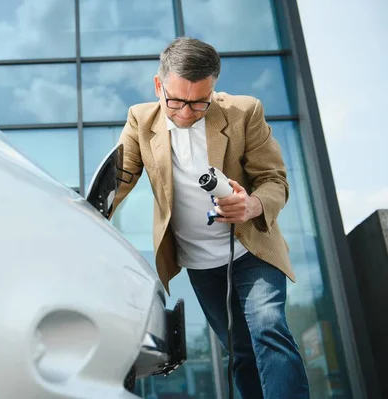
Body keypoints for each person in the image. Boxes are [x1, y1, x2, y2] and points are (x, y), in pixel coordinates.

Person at [109, 37, 310, 399]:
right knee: (241, 352)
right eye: (176, 101)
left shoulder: (243, 112)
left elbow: (274, 180)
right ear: (159, 85)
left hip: (251, 251)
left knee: (269, 329)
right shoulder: (140, 120)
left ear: (213, 89)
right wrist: (87, 211)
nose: (186, 113)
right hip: (201, 263)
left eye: (199, 103)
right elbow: (118, 180)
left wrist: (252, 205)